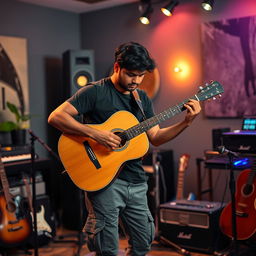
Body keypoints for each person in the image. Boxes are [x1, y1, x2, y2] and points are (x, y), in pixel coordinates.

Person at [48, 42, 201, 256]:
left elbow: (155, 137)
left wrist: (186, 122)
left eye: (141, 76)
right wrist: (96, 133)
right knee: (107, 249)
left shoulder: (141, 98)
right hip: (103, 181)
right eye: (131, 75)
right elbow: (56, 117)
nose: (136, 81)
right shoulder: (95, 92)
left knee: (143, 242)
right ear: (117, 67)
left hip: (136, 182)